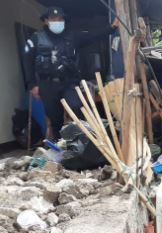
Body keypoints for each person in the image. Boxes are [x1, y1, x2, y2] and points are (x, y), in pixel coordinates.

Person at [23, 6, 119, 138]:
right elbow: (27, 61)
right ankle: (59, 149)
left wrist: (112, 28)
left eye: (60, 19)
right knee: (55, 119)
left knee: (78, 109)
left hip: (69, 83)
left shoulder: (72, 36)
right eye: (53, 19)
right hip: (47, 85)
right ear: (46, 21)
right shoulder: (36, 39)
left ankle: (84, 142)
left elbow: (92, 35)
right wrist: (32, 85)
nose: (57, 21)